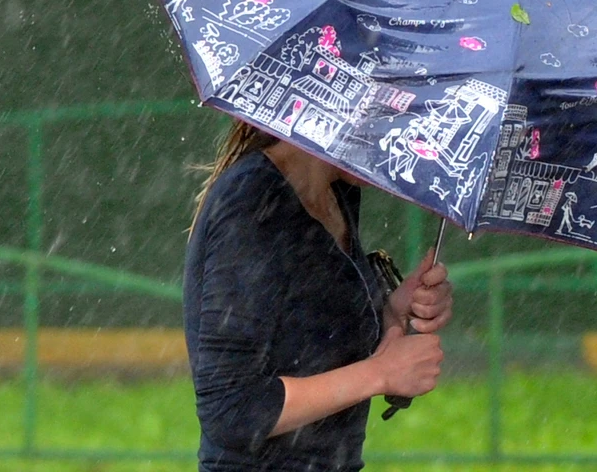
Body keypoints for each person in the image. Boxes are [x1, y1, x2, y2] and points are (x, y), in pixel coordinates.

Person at [184, 120, 454, 471]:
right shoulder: (252, 198)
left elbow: (310, 345)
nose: (402, 135)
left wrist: (392, 314)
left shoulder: (337, 192)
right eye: (392, 116)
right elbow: (232, 409)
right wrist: (380, 373)